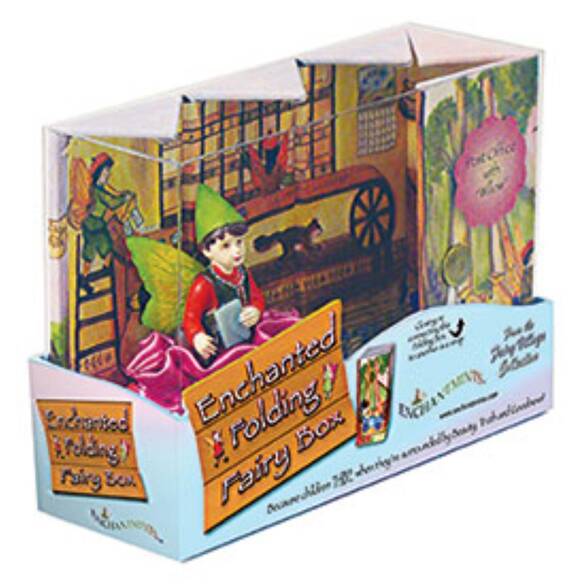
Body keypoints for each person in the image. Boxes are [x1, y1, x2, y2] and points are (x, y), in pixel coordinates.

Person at [183, 185, 265, 363]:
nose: (237, 251)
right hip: (219, 352)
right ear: (207, 251)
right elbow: (190, 318)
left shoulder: (242, 272)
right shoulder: (204, 284)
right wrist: (197, 337)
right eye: (226, 246)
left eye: (239, 242)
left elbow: (256, 297)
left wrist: (255, 310)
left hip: (246, 341)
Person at [79, 153, 135, 293]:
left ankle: (86, 277)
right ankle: (103, 270)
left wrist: (121, 194)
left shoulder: (97, 189)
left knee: (90, 252)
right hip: (96, 226)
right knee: (106, 248)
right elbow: (111, 202)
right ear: (99, 174)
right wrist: (125, 198)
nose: (107, 175)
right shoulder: (96, 191)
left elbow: (111, 197)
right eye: (105, 173)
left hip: (91, 225)